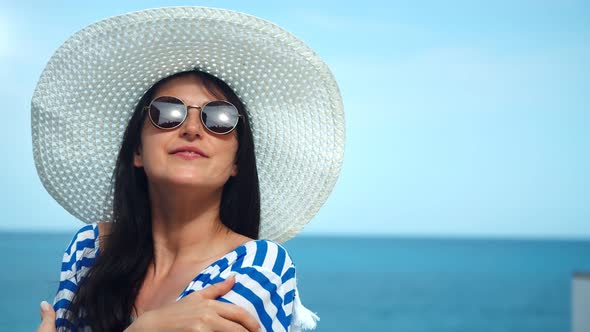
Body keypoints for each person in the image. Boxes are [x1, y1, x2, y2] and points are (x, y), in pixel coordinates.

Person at [31, 6, 344, 332]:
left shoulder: (257, 265)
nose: (192, 128)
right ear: (137, 150)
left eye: (220, 118)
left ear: (237, 162)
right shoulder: (89, 248)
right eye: (167, 113)